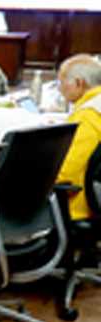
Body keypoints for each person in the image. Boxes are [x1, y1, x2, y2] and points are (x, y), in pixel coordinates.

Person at [56, 54, 101, 220]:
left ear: (78, 83)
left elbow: (66, 173)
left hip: (78, 209)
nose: (59, 89)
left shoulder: (87, 116)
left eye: (61, 82)